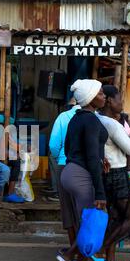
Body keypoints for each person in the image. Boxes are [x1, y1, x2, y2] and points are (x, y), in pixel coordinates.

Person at [56, 79, 108, 261]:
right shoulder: (92, 121)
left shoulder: (76, 119)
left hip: (69, 172)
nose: (104, 96)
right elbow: (92, 156)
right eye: (101, 93)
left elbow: (69, 149)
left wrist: (96, 160)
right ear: (91, 98)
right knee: (92, 226)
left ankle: (70, 257)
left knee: (85, 224)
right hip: (83, 177)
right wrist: (101, 193)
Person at [93, 85, 130, 261]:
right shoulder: (111, 124)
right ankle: (101, 249)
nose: (122, 104)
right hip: (117, 174)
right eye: (120, 99)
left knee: (114, 217)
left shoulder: (97, 118)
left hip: (105, 173)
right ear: (110, 101)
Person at [49, 97, 81, 247]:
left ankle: (73, 247)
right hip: (85, 168)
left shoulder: (63, 117)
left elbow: (54, 145)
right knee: (83, 209)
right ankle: (83, 248)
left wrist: (59, 158)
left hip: (65, 165)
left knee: (68, 210)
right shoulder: (94, 118)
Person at [0, 102, 25, 204]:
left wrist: (19, 149)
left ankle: (10, 194)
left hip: (0, 155)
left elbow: (10, 121)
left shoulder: (2, 127)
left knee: (16, 161)